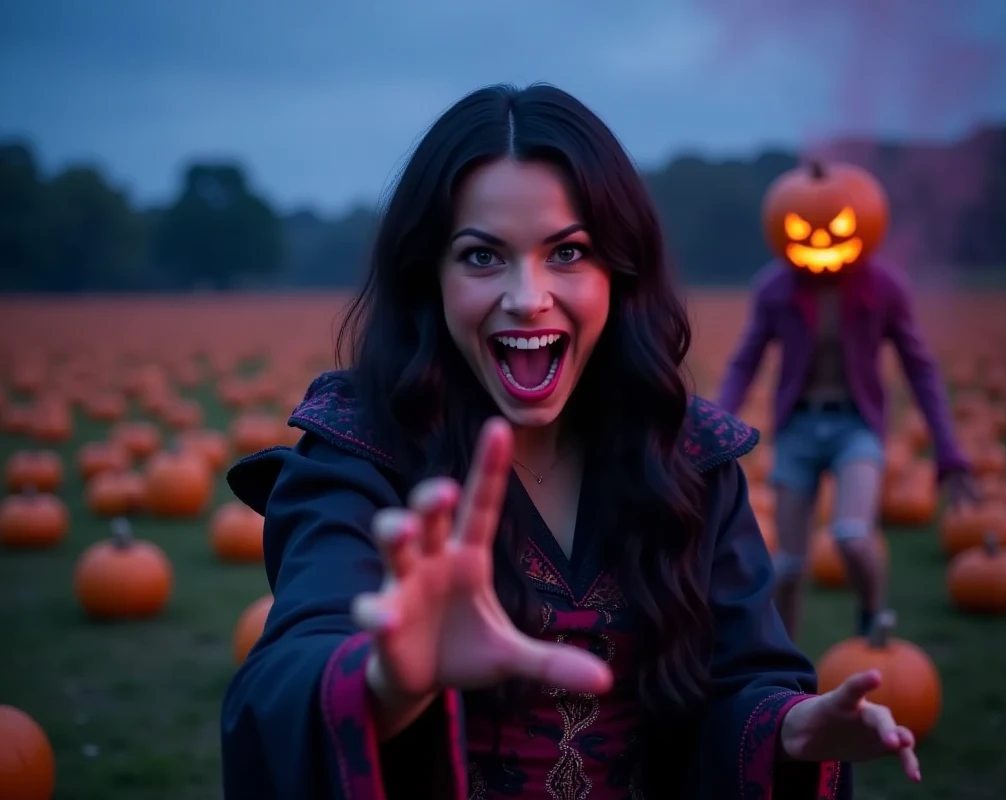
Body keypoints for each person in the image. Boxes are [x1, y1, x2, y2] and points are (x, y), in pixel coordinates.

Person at [221, 84, 922, 800]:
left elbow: (742, 679)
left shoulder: (692, 462)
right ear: (426, 276)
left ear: (620, 272)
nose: (527, 296)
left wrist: (791, 730)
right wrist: (388, 682)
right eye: (481, 257)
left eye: (568, 252)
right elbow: (288, 672)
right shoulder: (356, 457)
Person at [717, 160, 977, 642]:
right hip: (797, 429)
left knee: (852, 536)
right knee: (789, 565)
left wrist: (949, 451)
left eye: (836, 227)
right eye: (802, 228)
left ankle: (873, 615)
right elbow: (744, 361)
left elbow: (920, 369)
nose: (820, 242)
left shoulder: (884, 290)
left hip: (856, 426)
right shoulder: (774, 290)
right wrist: (713, 423)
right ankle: (782, 662)